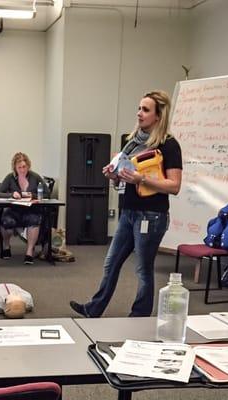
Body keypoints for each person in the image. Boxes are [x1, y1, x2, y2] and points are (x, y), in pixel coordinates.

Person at [70, 90, 182, 318]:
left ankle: (139, 316)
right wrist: (114, 176)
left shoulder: (169, 145)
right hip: (129, 211)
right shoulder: (133, 142)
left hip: (152, 216)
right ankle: (94, 309)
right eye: (139, 108)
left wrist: (142, 179)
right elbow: (126, 174)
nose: (139, 113)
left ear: (158, 116)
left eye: (145, 110)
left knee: (143, 269)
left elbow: (174, 185)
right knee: (111, 263)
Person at [0, 152, 49, 265]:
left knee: (34, 220)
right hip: (13, 210)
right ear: (15, 167)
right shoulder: (10, 177)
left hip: (31, 210)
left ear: (28, 166)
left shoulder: (35, 176)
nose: (22, 170)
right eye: (19, 167)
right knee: (6, 221)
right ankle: (6, 246)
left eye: (24, 167)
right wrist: (11, 194)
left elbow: (47, 193)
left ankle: (29, 252)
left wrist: (32, 195)